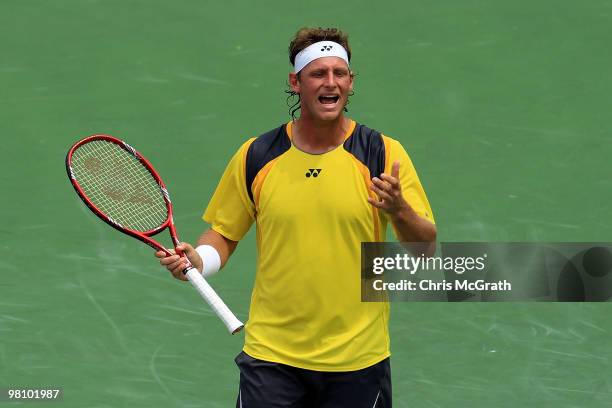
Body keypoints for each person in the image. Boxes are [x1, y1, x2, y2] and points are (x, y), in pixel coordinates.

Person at [156, 27, 436, 408]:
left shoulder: (382, 153)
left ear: (351, 83)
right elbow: (224, 234)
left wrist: (398, 209)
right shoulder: (257, 156)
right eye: (318, 73)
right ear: (296, 82)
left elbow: (425, 250)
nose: (331, 82)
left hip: (357, 359)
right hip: (273, 357)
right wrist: (198, 261)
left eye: (340, 73)